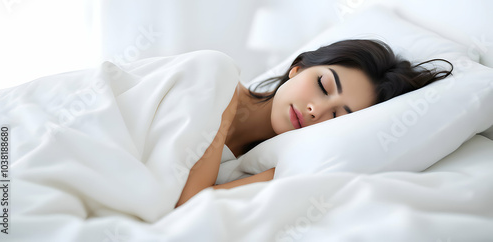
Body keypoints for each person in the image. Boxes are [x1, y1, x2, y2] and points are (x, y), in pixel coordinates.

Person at [175, 39, 453, 207]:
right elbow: (188, 202)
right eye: (323, 85)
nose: (314, 110)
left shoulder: (265, 164)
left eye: (336, 115)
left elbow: (193, 203)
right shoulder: (217, 77)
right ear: (298, 68)